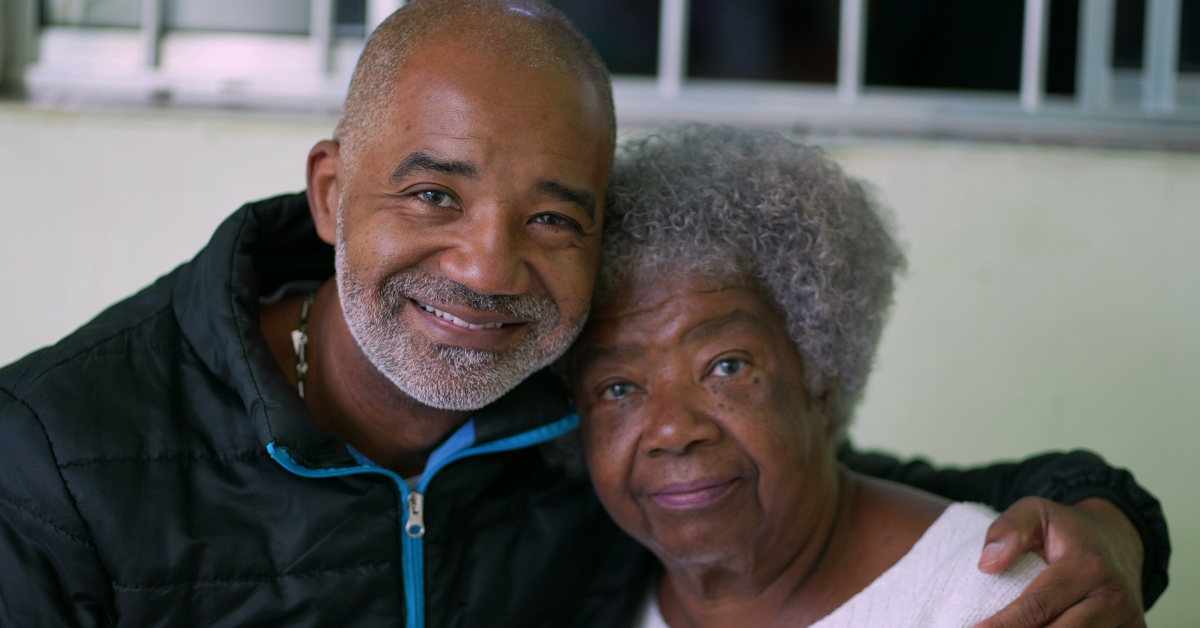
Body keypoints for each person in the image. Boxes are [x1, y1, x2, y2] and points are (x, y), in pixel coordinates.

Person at [0, 1, 1165, 627]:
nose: (488, 266)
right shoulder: (56, 455)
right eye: (434, 193)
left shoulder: (586, 421)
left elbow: (854, 491)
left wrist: (1110, 521)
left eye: (554, 217)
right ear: (329, 191)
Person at [567, 124, 1159, 628]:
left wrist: (1111, 517)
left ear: (822, 377)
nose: (673, 429)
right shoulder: (590, 588)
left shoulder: (991, 600)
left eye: (727, 366)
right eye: (618, 388)